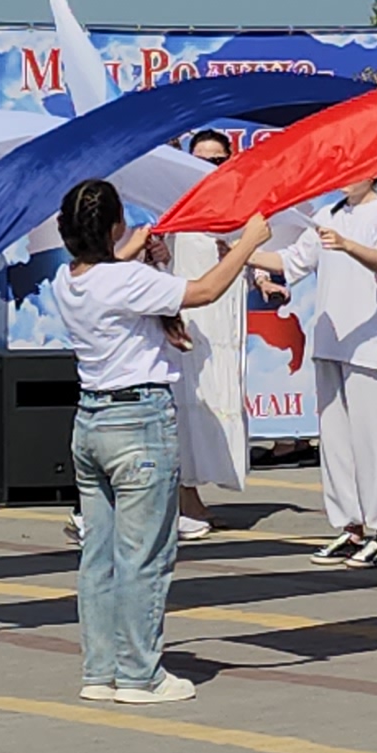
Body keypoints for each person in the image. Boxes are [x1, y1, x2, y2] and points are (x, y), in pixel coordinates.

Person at [55, 177, 261, 704]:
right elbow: (206, 291)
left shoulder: (68, 280)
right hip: (139, 422)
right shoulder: (124, 282)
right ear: (113, 226)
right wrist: (248, 242)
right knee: (144, 555)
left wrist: (135, 247)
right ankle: (142, 674)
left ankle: (100, 669)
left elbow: (110, 262)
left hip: (92, 421)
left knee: (97, 555)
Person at [278, 176, 377, 566]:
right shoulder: (328, 215)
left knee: (375, 442)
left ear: (374, 172)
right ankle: (350, 528)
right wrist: (241, 252)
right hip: (330, 341)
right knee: (336, 444)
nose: (345, 178)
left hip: (369, 342)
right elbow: (291, 263)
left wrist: (348, 245)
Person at [168, 128, 252, 535]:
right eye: (200, 159)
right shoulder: (177, 202)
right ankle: (184, 496)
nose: (209, 167)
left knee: (220, 396)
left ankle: (192, 494)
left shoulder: (238, 201)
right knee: (190, 398)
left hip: (226, 318)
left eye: (217, 160)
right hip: (193, 317)